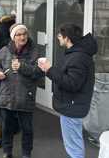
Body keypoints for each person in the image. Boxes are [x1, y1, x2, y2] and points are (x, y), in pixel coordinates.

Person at [37, 24, 97, 158]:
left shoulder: (78, 57)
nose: (57, 38)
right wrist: (50, 69)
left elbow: (72, 84)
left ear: (67, 38)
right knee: (73, 142)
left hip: (72, 107)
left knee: (73, 146)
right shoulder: (76, 54)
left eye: (59, 35)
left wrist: (49, 69)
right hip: (72, 105)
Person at [0, 24, 43, 158]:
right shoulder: (4, 50)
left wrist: (22, 67)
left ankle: (26, 154)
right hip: (7, 94)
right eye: (18, 34)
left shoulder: (34, 51)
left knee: (27, 129)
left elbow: (38, 72)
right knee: (7, 127)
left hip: (26, 95)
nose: (22, 37)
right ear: (13, 37)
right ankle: (7, 152)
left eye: (24, 34)